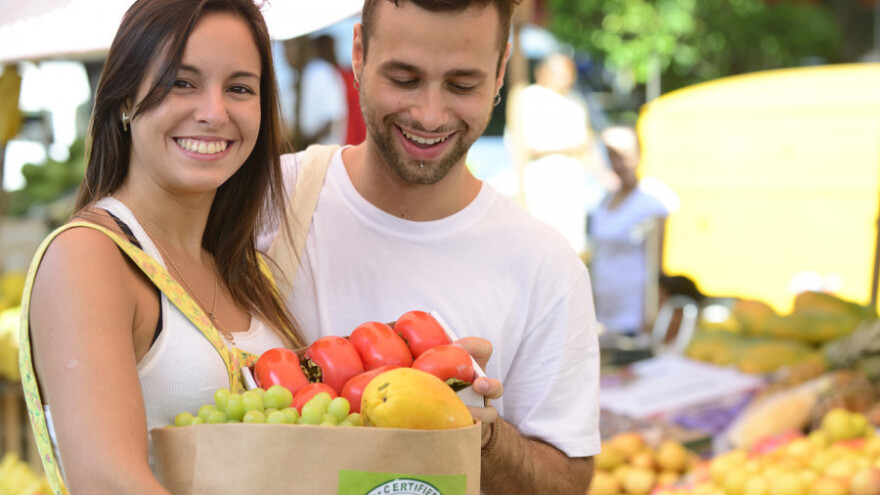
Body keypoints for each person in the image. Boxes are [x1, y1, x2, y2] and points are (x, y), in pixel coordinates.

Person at [258, 0, 600, 492]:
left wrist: (481, 435)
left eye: (463, 85)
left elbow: (567, 481)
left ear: (502, 70)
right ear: (359, 55)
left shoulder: (546, 266)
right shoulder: (264, 205)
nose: (430, 115)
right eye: (404, 79)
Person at [19, 0, 302, 493]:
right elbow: (108, 481)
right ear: (125, 99)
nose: (215, 113)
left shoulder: (243, 269)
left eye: (239, 88)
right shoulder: (88, 256)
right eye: (182, 82)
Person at [509, 53, 609, 256]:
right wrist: (573, 146)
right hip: (541, 186)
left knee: (571, 249)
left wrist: (604, 176)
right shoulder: (529, 98)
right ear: (543, 73)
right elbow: (529, 146)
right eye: (560, 73)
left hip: (571, 188)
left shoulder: (576, 101)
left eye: (569, 73)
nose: (566, 78)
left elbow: (588, 144)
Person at [587, 126, 680, 336]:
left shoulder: (651, 201)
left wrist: (653, 315)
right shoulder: (604, 200)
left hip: (634, 315)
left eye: (625, 155)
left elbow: (658, 265)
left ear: (639, 153)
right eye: (613, 156)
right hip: (604, 313)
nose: (620, 163)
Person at [284, 34, 348, 148]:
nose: (285, 53)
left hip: (322, 155)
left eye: (289, 46)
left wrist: (303, 144)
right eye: (284, 47)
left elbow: (331, 122)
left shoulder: (321, 73)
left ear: (302, 46)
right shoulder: (294, 80)